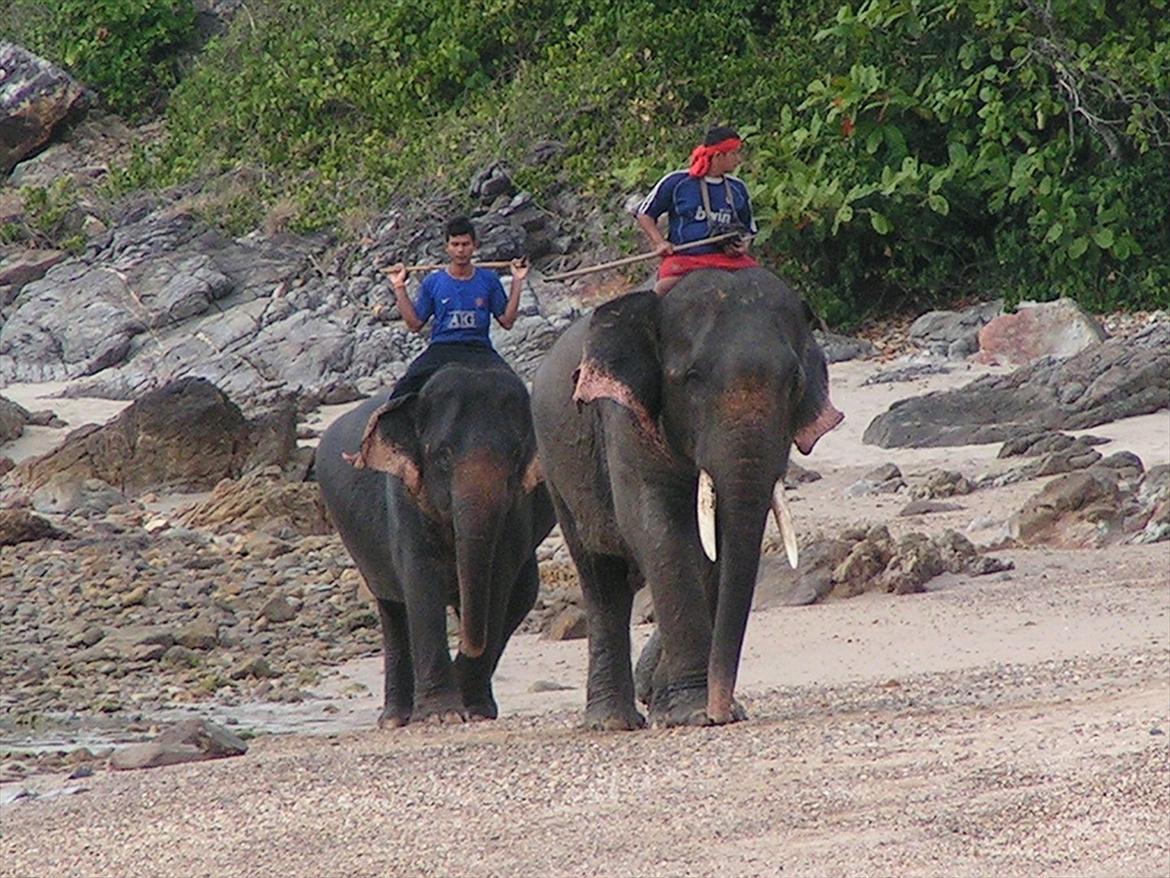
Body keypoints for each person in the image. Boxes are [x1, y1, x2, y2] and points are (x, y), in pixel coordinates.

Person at [383, 215, 528, 398]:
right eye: (455, 244)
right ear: (447, 247)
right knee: (403, 389)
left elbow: (507, 321)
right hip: (442, 348)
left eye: (465, 244)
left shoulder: (489, 280)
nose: (460, 250)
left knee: (517, 391)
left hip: (479, 348)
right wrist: (398, 286)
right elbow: (414, 324)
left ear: (474, 245)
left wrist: (517, 280)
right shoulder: (433, 282)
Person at [635, 125, 759, 295]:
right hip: (686, 259)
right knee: (662, 290)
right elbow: (644, 214)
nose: (739, 159)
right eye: (734, 153)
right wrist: (660, 242)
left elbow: (748, 229)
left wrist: (742, 247)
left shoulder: (738, 188)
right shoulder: (677, 182)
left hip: (729, 260)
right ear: (718, 156)